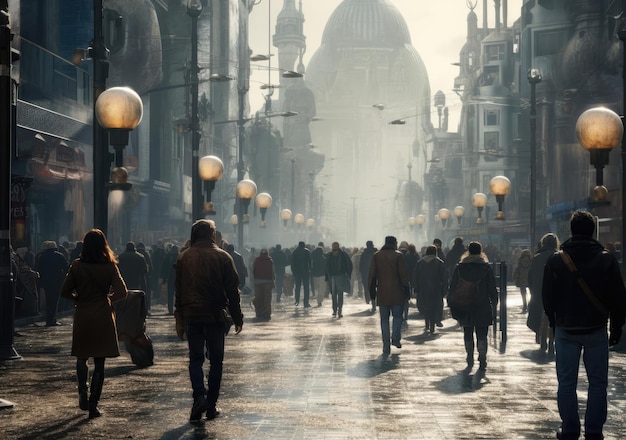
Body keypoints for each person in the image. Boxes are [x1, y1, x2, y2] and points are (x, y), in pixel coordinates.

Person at [542, 210, 626, 440]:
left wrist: (553, 320)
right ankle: (593, 430)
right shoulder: (607, 258)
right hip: (596, 328)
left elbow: (547, 297)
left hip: (566, 329)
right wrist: (616, 327)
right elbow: (619, 298)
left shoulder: (557, 259)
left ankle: (569, 429)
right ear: (593, 231)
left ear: (571, 230)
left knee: (566, 383)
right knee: (598, 383)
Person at [174, 219, 244, 423]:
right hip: (215, 316)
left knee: (195, 359)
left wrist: (179, 317)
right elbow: (233, 291)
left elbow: (178, 291)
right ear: (212, 235)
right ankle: (211, 405)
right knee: (216, 361)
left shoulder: (183, 257)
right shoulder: (223, 257)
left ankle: (199, 397)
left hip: (192, 315)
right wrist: (237, 317)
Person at [60, 229, 128, 419]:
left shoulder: (77, 266)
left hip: (83, 314)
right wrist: (107, 299)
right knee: (100, 361)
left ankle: (82, 389)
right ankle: (93, 404)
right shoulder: (110, 266)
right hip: (103, 316)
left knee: (82, 356)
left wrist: (78, 298)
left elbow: (65, 291)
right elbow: (123, 292)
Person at [448, 241, 498, 371]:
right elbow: (492, 288)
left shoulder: (460, 267)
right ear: (481, 251)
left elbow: (453, 287)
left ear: (468, 251)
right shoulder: (486, 267)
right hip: (482, 305)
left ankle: (469, 356)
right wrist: (495, 304)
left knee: (468, 331)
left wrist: (451, 303)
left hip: (465, 304)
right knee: (482, 333)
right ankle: (482, 357)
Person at [367, 236, 409, 356]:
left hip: (382, 291)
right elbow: (403, 275)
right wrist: (406, 291)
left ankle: (386, 345)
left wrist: (372, 291)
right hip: (397, 291)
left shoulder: (377, 256)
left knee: (384, 320)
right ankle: (395, 338)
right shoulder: (398, 256)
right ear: (394, 243)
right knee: (397, 317)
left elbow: (372, 275)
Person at [527, 233, 559, 353]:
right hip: (555, 292)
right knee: (552, 318)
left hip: (540, 292)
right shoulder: (559, 256)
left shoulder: (537, 257)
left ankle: (542, 341)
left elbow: (530, 277)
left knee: (541, 317)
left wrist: (532, 290)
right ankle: (551, 341)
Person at [413, 245, 447, 335]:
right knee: (435, 307)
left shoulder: (420, 263)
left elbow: (415, 277)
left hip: (423, 289)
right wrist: (445, 290)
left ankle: (427, 323)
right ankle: (433, 324)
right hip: (436, 289)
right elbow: (444, 278)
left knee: (426, 307)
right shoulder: (439, 263)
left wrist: (416, 289)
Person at [36, 240, 69, 326]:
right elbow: (66, 267)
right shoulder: (59, 256)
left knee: (48, 300)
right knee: (54, 301)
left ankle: (48, 320)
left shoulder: (41, 257)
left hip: (46, 282)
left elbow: (39, 269)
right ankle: (52, 319)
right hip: (57, 281)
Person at [325, 241, 352, 318]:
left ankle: (339, 309)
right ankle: (335, 310)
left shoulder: (342, 255)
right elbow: (327, 266)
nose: (334, 247)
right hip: (332, 276)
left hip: (340, 276)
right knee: (334, 294)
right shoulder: (330, 255)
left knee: (339, 294)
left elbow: (348, 264)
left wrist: (347, 274)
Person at [252, 248, 274, 321]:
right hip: (268, 282)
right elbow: (272, 272)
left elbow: (253, 270)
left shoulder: (257, 260)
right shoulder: (270, 261)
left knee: (259, 298)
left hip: (258, 282)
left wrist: (254, 280)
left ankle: (259, 312)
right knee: (267, 299)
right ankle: (266, 314)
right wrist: (273, 281)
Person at [291, 241, 312, 307]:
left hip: (297, 272)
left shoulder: (295, 252)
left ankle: (297, 301)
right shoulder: (307, 251)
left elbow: (292, 263)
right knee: (306, 287)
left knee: (297, 287)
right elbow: (310, 262)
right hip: (305, 272)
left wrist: (293, 272)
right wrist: (310, 270)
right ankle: (306, 302)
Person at [359, 240, 377, 313]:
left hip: (366, 274)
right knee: (374, 289)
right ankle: (374, 303)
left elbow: (361, 265)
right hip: (375, 273)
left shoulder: (364, 254)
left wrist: (361, 273)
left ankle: (368, 299)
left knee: (367, 288)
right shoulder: (376, 253)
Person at [161, 244, 179, 314]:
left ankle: (170, 310)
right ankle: (176, 309)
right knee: (177, 294)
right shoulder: (179, 256)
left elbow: (164, 267)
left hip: (170, 278)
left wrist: (163, 277)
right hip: (177, 278)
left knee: (170, 295)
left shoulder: (168, 256)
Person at [513, 249, 532, 313]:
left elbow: (517, 270)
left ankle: (524, 306)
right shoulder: (531, 261)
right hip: (530, 279)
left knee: (523, 294)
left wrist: (515, 277)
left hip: (522, 279)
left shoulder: (520, 261)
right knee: (532, 294)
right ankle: (530, 305)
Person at [135, 242, 153, 312]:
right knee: (146, 293)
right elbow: (150, 267)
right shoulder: (145, 254)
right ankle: (146, 308)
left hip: (133, 278)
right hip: (144, 277)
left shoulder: (136, 254)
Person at [310, 242, 326, 307]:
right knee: (321, 288)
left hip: (314, 275)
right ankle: (319, 301)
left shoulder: (312, 258)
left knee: (316, 288)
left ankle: (318, 299)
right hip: (322, 275)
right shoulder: (323, 258)